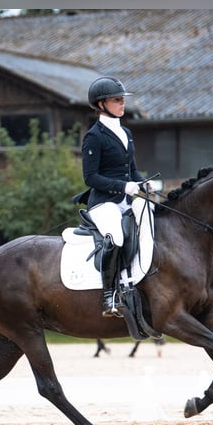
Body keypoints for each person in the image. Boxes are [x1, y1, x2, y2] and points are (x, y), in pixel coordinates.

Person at [76, 76, 148, 317]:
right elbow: (91, 177)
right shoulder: (94, 136)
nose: (122, 104)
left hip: (126, 200)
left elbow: (132, 169)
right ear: (100, 104)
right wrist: (122, 186)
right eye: (117, 100)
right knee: (115, 236)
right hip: (104, 203)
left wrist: (141, 183)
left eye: (122, 100)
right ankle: (109, 296)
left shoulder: (125, 132)